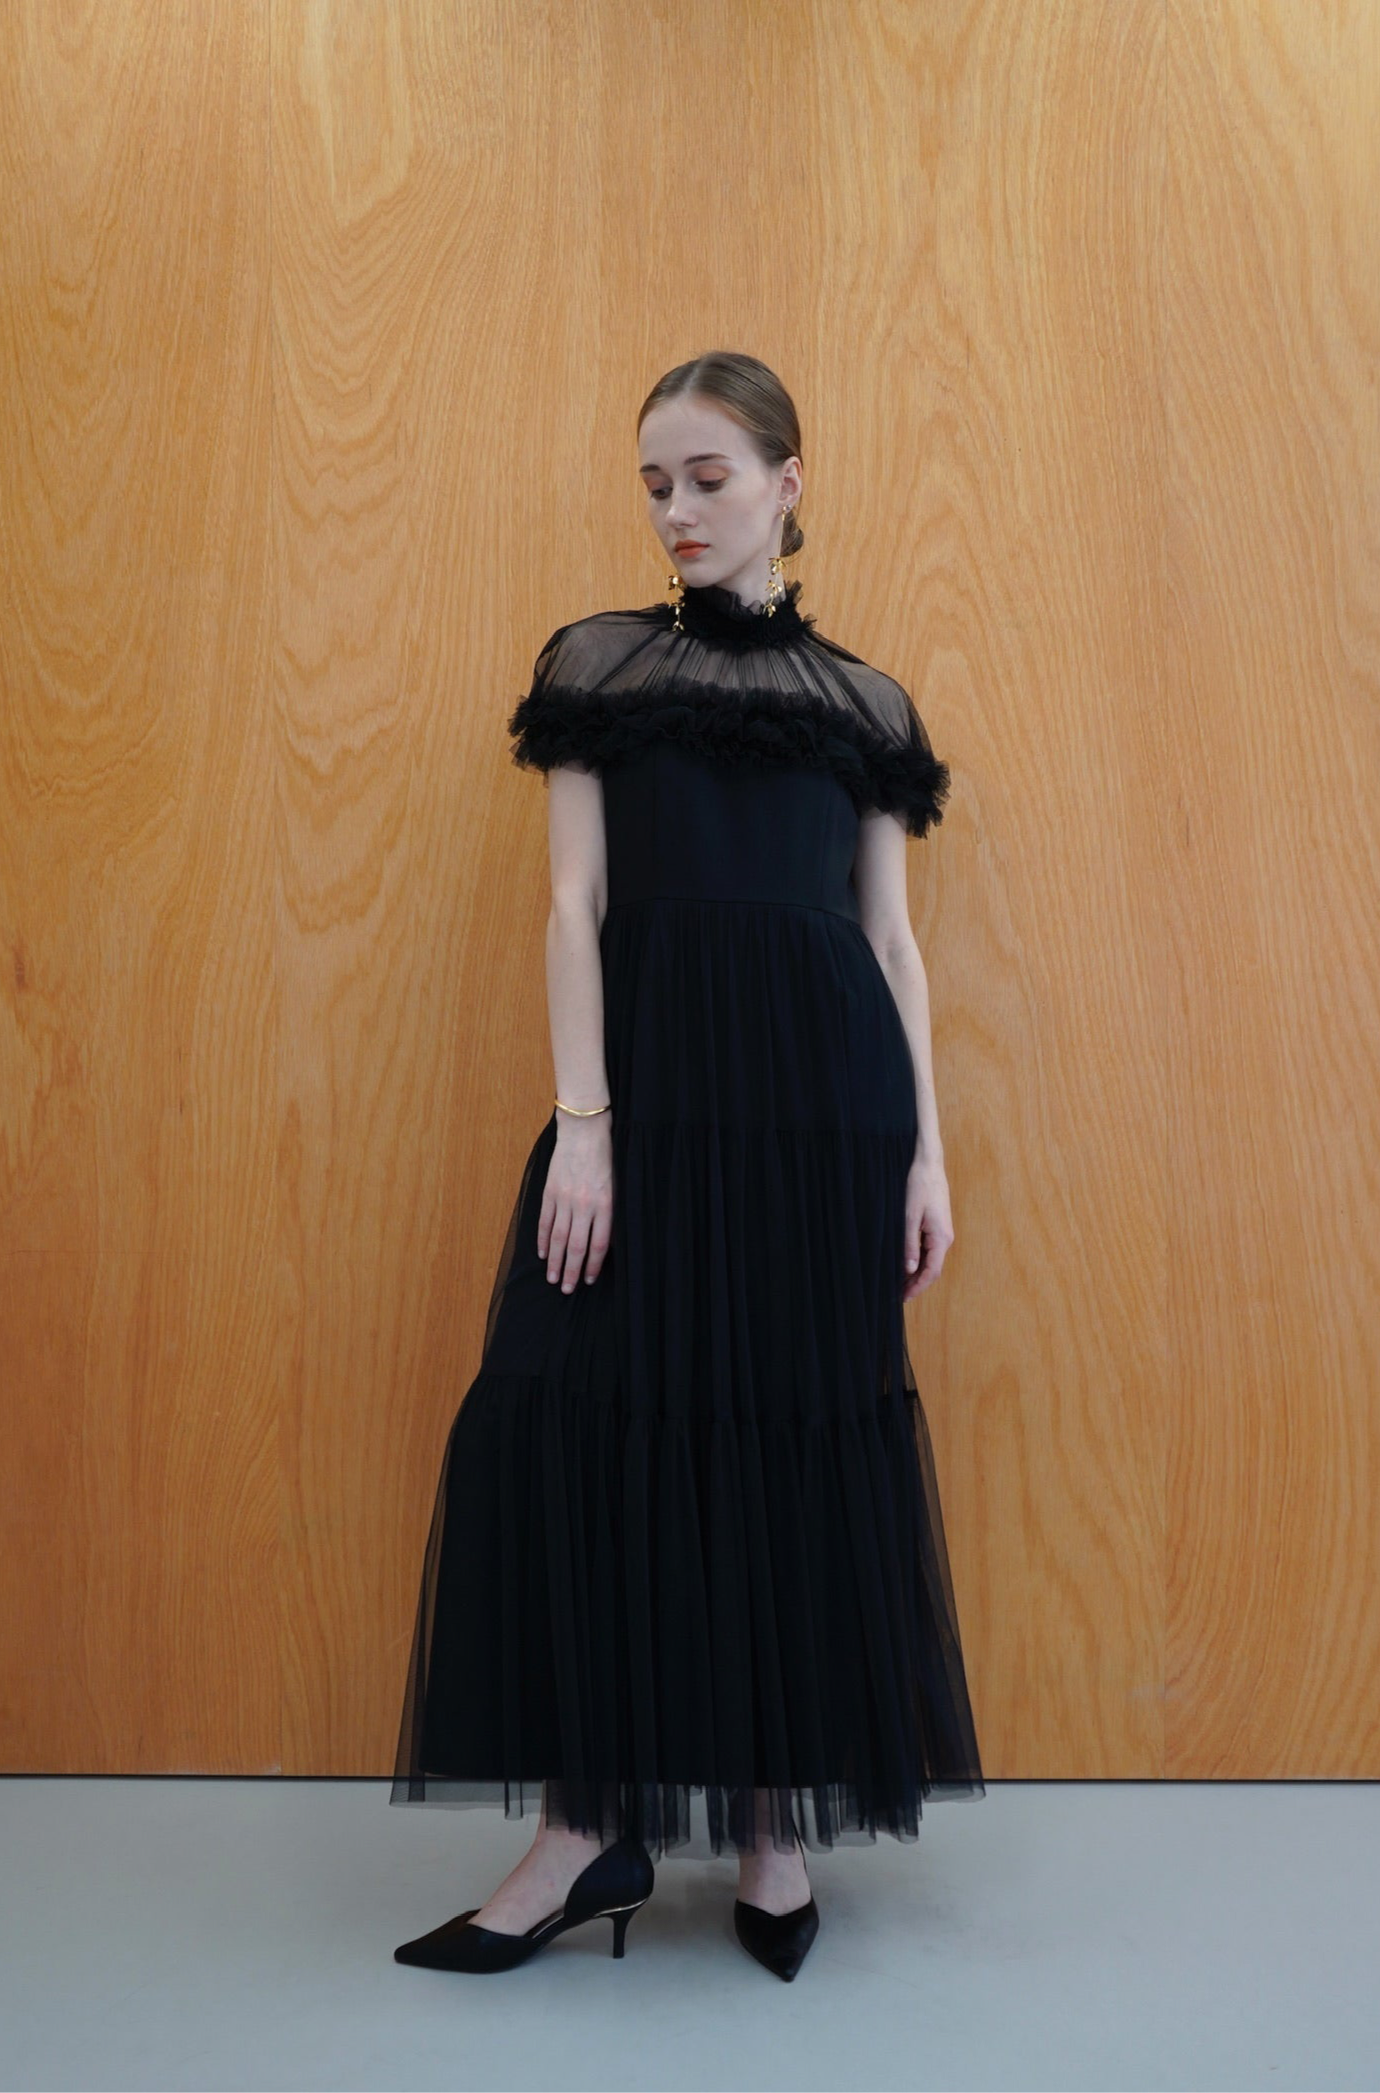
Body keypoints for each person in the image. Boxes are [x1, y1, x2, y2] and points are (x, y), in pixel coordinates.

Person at [390, 351, 984, 1981]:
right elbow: (572, 905)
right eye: (655, 483)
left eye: (708, 479)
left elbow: (892, 942)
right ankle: (585, 1831)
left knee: (793, 1433)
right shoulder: (597, 665)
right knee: (579, 1415)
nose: (676, 512)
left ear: (789, 483)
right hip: (644, 1105)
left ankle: (776, 1829)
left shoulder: (866, 706)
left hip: (824, 1119)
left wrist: (926, 1154)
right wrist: (585, 1128)